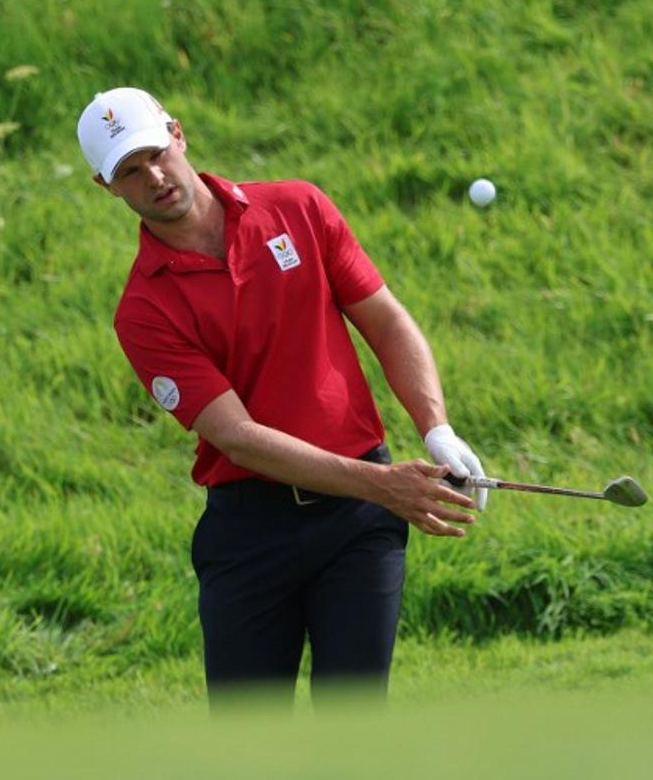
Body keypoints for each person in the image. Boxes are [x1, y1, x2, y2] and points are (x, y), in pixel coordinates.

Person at [76, 87, 489, 708]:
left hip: (357, 527)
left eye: (155, 153)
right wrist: (383, 486)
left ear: (179, 134)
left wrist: (435, 428)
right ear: (106, 187)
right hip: (251, 533)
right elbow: (237, 436)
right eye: (129, 172)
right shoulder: (143, 310)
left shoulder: (297, 207)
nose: (154, 177)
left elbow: (385, 320)